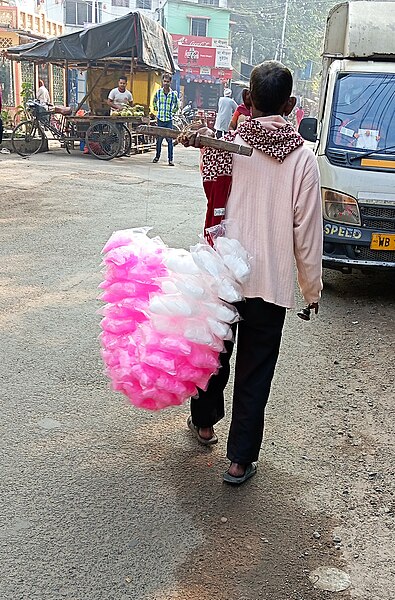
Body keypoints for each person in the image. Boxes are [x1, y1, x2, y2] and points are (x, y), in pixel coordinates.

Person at [184, 61, 323, 485]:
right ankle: (239, 459)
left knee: (214, 356)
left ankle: (205, 424)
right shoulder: (302, 160)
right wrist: (310, 288)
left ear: (247, 101)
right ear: (292, 104)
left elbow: (213, 195)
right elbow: (307, 233)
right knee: (255, 370)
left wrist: (200, 139)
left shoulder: (227, 144)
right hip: (271, 282)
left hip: (224, 273)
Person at [152, 73, 179, 166]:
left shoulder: (173, 94)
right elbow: (154, 100)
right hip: (160, 119)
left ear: (170, 82)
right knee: (159, 140)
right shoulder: (158, 92)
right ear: (162, 82)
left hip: (168, 120)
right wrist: (155, 108)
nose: (166, 83)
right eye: (164, 81)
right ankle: (157, 157)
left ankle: (170, 160)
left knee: (170, 141)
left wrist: (172, 112)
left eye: (168, 81)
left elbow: (177, 105)